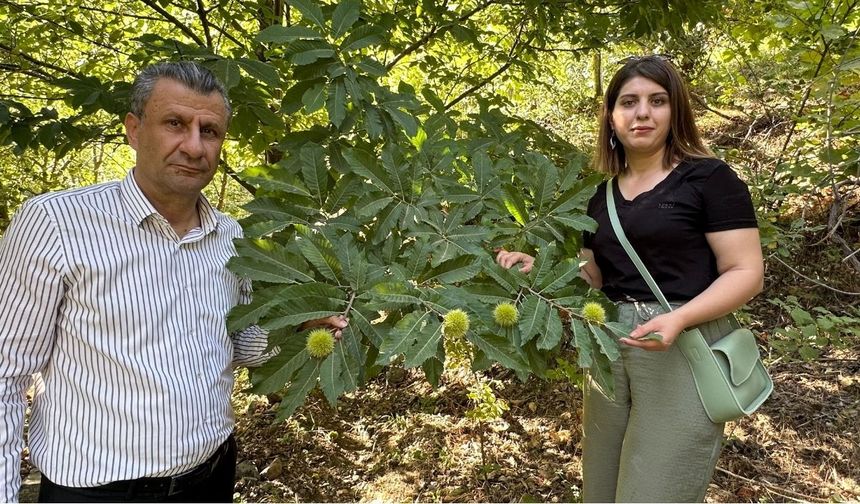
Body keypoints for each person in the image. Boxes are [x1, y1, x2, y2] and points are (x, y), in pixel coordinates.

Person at [0, 61, 346, 502]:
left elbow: (235, 341)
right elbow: (5, 373)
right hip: (98, 490)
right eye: (175, 123)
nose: (194, 146)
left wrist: (300, 330)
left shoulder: (231, 237)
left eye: (210, 131)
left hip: (211, 474)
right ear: (134, 130)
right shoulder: (54, 224)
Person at [496, 55, 764, 502]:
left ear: (675, 110)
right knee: (601, 487)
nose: (642, 113)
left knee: (655, 489)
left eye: (657, 101)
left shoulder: (709, 179)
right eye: (629, 102)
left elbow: (747, 273)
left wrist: (679, 319)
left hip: (682, 345)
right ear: (612, 117)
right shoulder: (599, 197)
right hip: (609, 346)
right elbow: (595, 280)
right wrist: (538, 267)